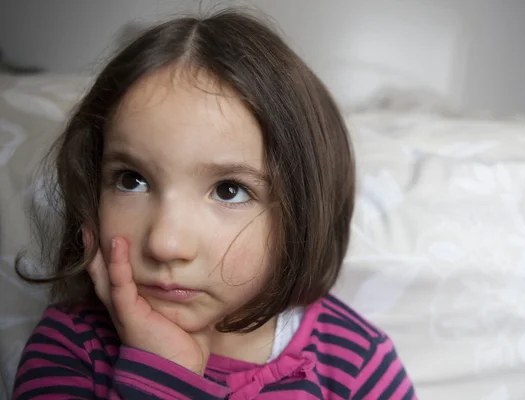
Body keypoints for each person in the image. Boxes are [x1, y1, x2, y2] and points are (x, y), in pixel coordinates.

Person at [12, 9, 416, 400]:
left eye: (228, 190)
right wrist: (162, 376)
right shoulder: (70, 350)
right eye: (131, 180)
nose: (165, 244)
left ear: (302, 213)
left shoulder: (358, 365)